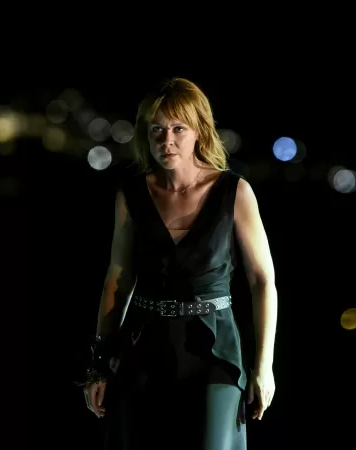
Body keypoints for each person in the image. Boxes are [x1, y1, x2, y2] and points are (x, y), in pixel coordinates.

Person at [81, 77, 278, 450]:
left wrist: (263, 366)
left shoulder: (234, 192)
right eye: (156, 129)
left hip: (215, 350)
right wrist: (100, 367)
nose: (166, 140)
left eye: (178, 128)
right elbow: (118, 278)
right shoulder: (132, 195)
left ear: (199, 130)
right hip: (144, 346)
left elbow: (262, 281)